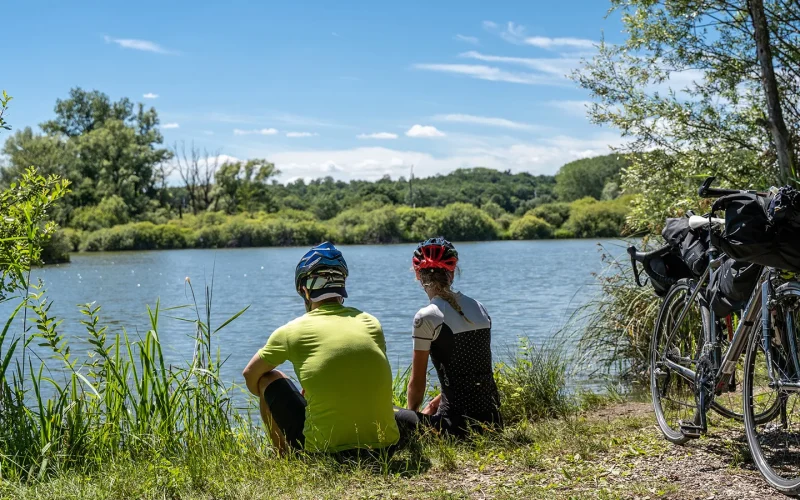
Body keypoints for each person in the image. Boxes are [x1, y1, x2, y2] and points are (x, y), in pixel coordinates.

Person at [242, 242, 400, 455]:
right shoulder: (370, 322)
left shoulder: (291, 331)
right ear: (342, 286)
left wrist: (267, 398)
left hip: (326, 452)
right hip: (385, 448)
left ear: (305, 291)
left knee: (267, 379)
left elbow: (250, 374)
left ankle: (284, 457)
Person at [395, 237, 502, 438]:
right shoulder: (479, 307)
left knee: (390, 412)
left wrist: (412, 418)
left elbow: (417, 383)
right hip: (494, 422)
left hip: (454, 428)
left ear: (417, 274)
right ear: (452, 273)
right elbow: (473, 375)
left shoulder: (426, 316)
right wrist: (433, 404)